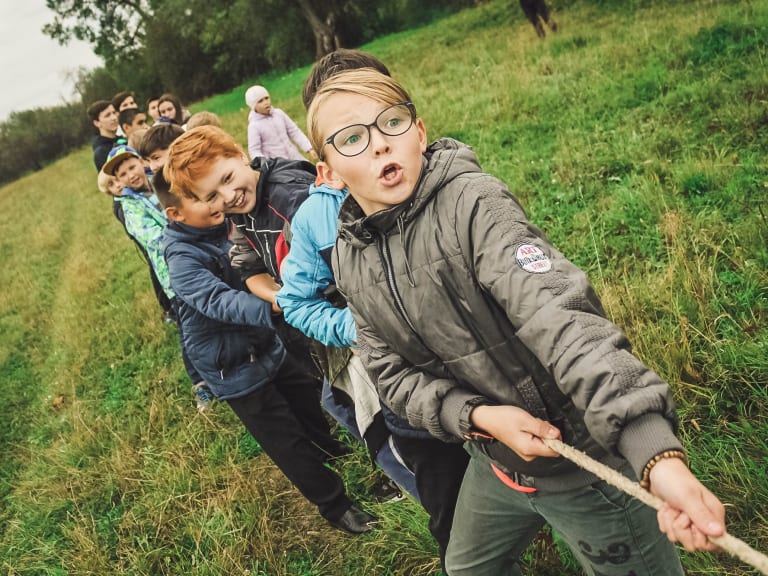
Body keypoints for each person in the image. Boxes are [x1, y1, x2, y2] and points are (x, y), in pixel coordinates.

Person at [307, 68, 727, 576]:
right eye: (351, 138)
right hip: (494, 462)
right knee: (465, 569)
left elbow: (560, 317)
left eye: (391, 122)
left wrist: (653, 453)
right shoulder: (350, 260)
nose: (378, 145)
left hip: (582, 468)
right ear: (327, 172)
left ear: (419, 132)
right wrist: (479, 417)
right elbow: (392, 377)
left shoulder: (474, 205)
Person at [277, 49, 470, 570]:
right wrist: (361, 327)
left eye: (384, 113)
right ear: (326, 151)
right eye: (349, 130)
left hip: (479, 367)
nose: (375, 138)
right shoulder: (320, 218)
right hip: (407, 391)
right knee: (449, 507)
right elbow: (295, 299)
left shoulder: (448, 184)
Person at [158, 137, 378, 535]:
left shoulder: (243, 209)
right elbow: (217, 299)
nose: (220, 201)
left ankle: (330, 448)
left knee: (310, 400)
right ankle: (336, 506)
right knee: (285, 440)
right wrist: (282, 305)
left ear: (241, 159)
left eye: (224, 183)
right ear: (176, 212)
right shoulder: (181, 257)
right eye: (207, 197)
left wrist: (283, 303)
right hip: (232, 366)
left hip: (268, 343)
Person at [101, 145, 215, 412]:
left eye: (131, 167)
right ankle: (200, 383)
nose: (130, 175)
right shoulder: (130, 207)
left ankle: (226, 361)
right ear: (117, 181)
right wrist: (188, 229)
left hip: (202, 259)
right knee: (190, 329)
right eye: (122, 173)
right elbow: (154, 239)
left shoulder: (162, 185)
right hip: (174, 275)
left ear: (141, 163)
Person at [245, 84, 316, 162]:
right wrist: (265, 163)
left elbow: (294, 131)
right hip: (279, 166)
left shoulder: (279, 114)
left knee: (311, 172)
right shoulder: (254, 126)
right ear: (253, 106)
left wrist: (309, 147)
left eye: (266, 98)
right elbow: (254, 150)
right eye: (260, 101)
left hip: (294, 157)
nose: (266, 102)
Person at [87, 100, 124, 171]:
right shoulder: (101, 153)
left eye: (114, 112)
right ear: (97, 123)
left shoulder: (122, 139)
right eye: (107, 115)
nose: (114, 118)